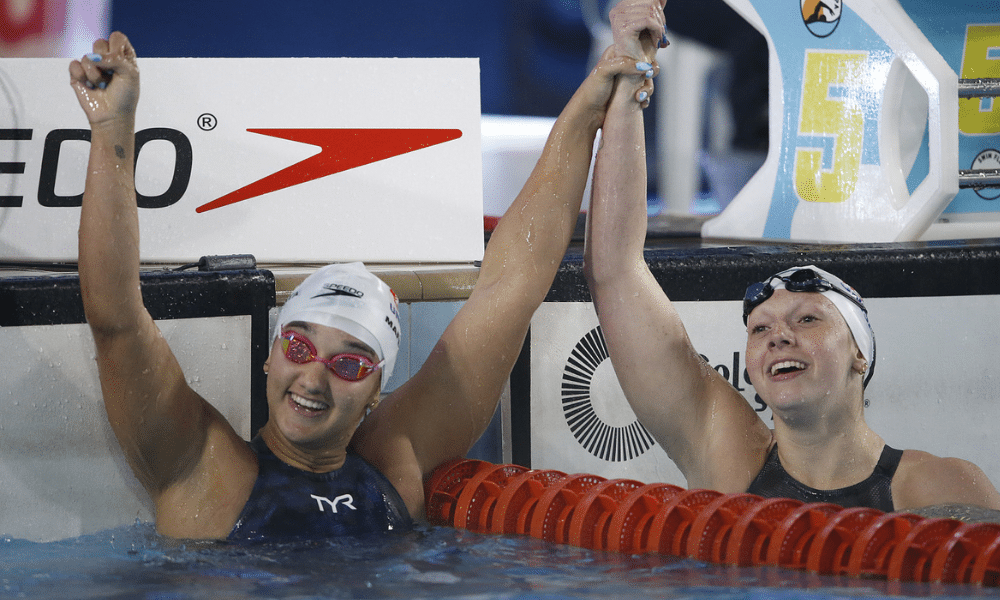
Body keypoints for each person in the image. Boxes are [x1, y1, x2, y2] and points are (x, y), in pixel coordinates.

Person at [69, 26, 660, 540]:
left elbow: (515, 284)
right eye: (299, 348)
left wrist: (589, 105)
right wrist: (113, 130)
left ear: (377, 388)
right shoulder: (204, 467)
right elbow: (117, 319)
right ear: (270, 360)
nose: (313, 377)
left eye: (349, 364)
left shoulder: (393, 457)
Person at [583, 0, 1000, 513]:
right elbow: (616, 273)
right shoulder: (727, 462)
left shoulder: (939, 486)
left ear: (860, 355)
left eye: (807, 318)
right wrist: (629, 78)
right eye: (760, 330)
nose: (779, 334)